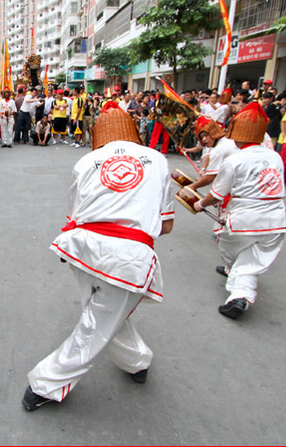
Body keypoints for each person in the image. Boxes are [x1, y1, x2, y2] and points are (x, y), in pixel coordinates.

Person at [22, 106, 174, 411]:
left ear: (98, 134)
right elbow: (166, 225)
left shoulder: (86, 161)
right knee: (97, 322)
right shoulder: (158, 160)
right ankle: (47, 383)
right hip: (127, 258)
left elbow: (74, 217)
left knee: (103, 314)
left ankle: (136, 360)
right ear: (132, 131)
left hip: (84, 249)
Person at [194, 103, 286, 319]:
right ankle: (239, 295)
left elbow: (216, 194)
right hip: (276, 220)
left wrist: (199, 204)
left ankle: (239, 291)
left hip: (244, 220)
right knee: (250, 260)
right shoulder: (275, 157)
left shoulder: (234, 160)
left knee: (233, 252)